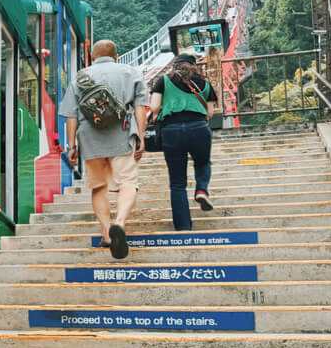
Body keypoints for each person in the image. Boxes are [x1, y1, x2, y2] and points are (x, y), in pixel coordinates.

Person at [61, 39, 150, 259]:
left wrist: (72, 145)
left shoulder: (80, 77)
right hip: (121, 133)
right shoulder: (130, 72)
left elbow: (71, 115)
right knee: (128, 182)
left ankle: (107, 235)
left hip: (90, 138)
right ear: (117, 55)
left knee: (98, 186)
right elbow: (140, 108)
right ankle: (119, 222)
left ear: (92, 57)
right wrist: (140, 136)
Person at [149, 53, 219, 230]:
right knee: (202, 162)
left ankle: (183, 227)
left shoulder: (163, 80)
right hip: (199, 128)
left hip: (171, 130)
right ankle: (202, 190)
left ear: (175, 65)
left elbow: (155, 107)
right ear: (194, 66)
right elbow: (210, 113)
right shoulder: (205, 84)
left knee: (177, 182)